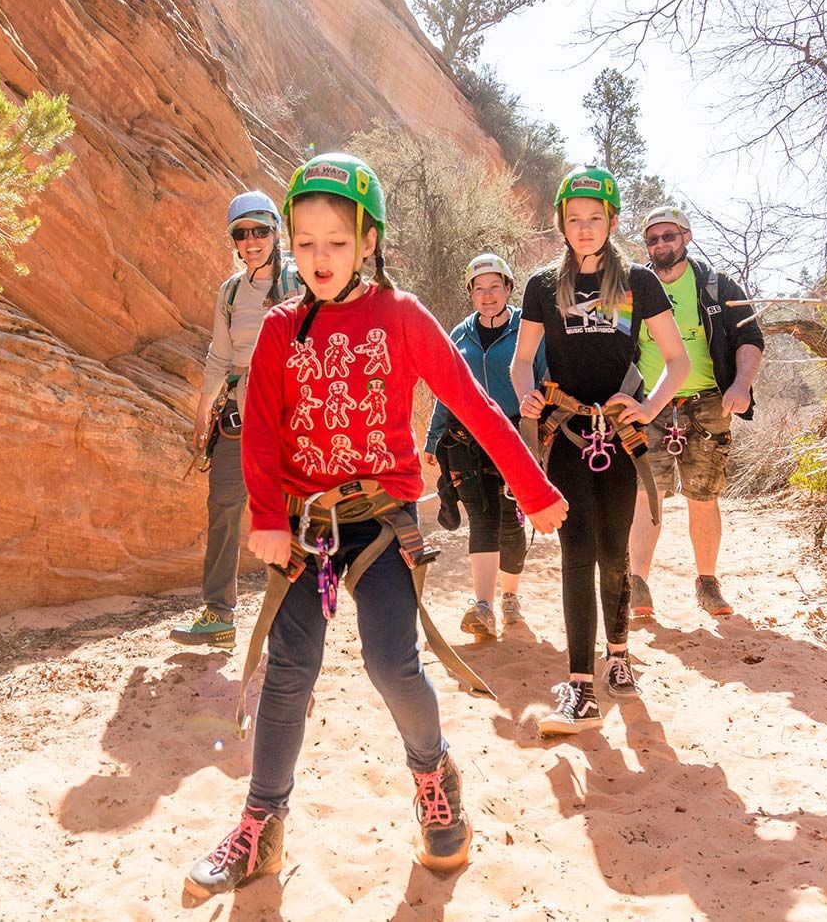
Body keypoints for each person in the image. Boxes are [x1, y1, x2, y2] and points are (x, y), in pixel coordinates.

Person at [184, 154, 567, 899]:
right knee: (287, 673)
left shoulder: (402, 314)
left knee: (392, 664)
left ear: (368, 240)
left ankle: (434, 775)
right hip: (306, 528)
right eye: (305, 242)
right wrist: (265, 516)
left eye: (336, 240)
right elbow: (260, 430)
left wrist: (533, 486)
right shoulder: (277, 327)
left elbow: (473, 402)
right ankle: (262, 825)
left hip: (382, 525)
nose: (318, 257)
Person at [511, 166, 690, 735]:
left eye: (594, 219)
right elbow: (522, 362)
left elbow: (678, 361)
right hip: (566, 435)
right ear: (561, 224)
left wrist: (649, 407)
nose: (584, 229)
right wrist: (526, 399)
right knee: (575, 553)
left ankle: (620, 658)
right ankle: (581, 686)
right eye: (573, 220)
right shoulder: (542, 286)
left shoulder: (639, 281)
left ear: (611, 221)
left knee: (615, 553)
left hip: (619, 437)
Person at [171, 191, 299, 649]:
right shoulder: (229, 292)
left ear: (274, 232)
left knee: (289, 515)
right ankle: (219, 614)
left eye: (259, 231)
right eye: (241, 234)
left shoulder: (298, 282)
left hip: (287, 415)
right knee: (224, 507)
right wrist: (202, 413)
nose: (251, 242)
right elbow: (219, 356)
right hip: (237, 415)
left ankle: (290, 618)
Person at [626, 206, 765, 619]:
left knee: (703, 496)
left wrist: (740, 384)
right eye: (652, 239)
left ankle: (707, 583)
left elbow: (750, 337)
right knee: (645, 495)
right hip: (647, 402)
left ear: (686, 237)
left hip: (708, 402)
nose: (660, 245)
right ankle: (638, 584)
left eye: (668, 236)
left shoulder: (716, 286)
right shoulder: (634, 289)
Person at [423, 253, 548, 639]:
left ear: (509, 289)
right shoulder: (459, 335)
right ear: (471, 294)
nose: (488, 295)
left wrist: (541, 408)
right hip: (467, 438)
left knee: (510, 522)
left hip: (515, 434)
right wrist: (432, 437)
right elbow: (446, 389)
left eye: (495, 287)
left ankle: (509, 597)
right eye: (479, 289)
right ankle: (483, 605)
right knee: (482, 516)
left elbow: (545, 377)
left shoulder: (528, 331)